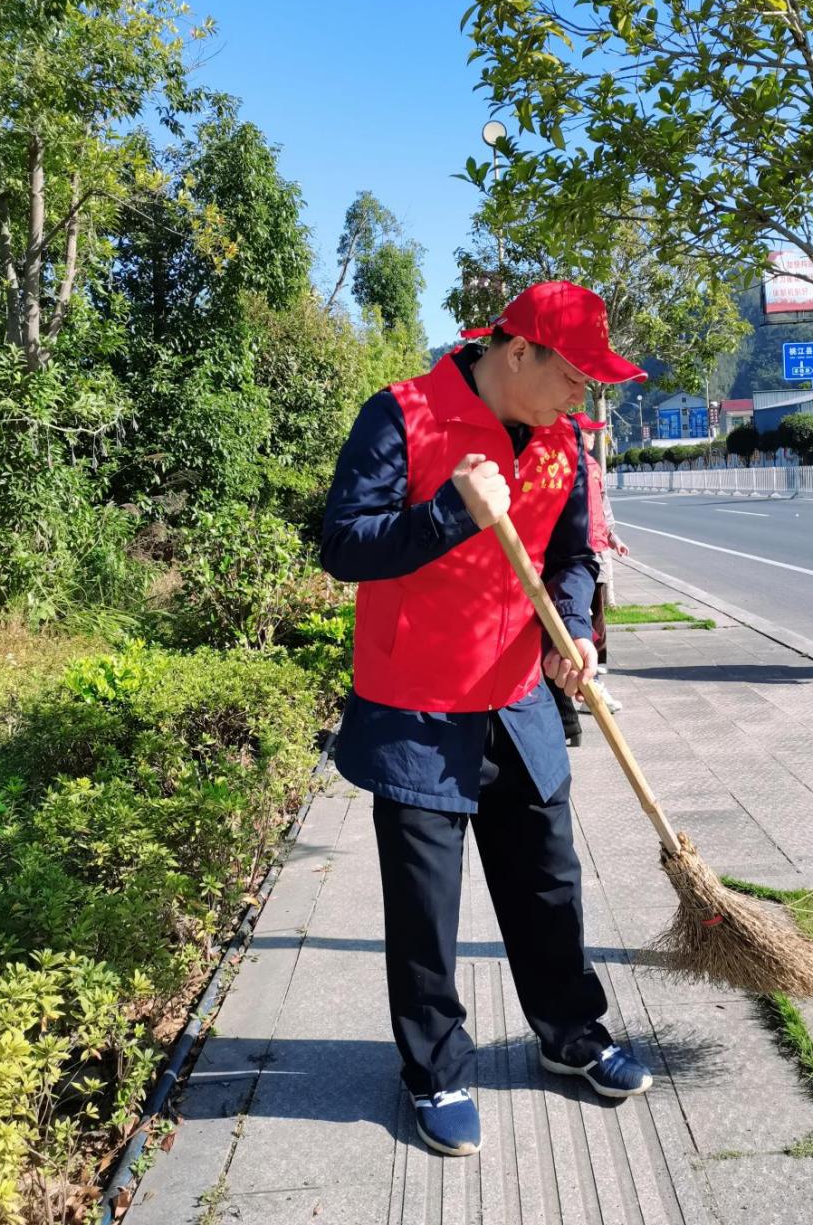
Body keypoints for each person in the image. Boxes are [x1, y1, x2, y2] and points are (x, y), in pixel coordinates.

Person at [321, 280, 652, 1160]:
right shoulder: (402, 416)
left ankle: (570, 1033)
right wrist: (449, 512)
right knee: (425, 907)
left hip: (516, 697)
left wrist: (573, 631)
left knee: (548, 880)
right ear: (517, 352)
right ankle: (433, 1069)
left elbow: (572, 553)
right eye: (573, 375)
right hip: (418, 706)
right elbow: (343, 543)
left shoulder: (562, 440)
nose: (582, 396)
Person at [551, 417, 630, 746]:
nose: (592, 437)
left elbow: (603, 508)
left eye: (593, 433)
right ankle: (586, 688)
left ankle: (593, 678)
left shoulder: (592, 466)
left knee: (593, 617)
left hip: (594, 550)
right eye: (587, 432)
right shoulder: (557, 463)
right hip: (574, 550)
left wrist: (613, 538)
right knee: (577, 621)